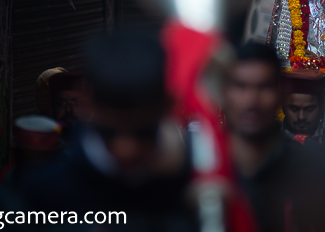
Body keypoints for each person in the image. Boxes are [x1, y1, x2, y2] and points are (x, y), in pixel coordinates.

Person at [18, 28, 197, 231]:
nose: (126, 149)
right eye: (109, 131)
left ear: (167, 105)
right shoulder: (43, 193)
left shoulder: (200, 181)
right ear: (86, 102)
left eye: (143, 131)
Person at [222, 42, 325, 232]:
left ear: (279, 96)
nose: (251, 101)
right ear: (224, 94)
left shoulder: (307, 164)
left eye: (264, 87)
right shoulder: (205, 160)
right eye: (241, 87)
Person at [281, 70, 325, 151]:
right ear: (283, 107)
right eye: (294, 109)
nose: (301, 117)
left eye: (309, 109)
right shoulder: (269, 142)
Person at [46, 72, 92, 142]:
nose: (68, 109)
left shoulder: (97, 143)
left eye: (75, 103)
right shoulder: (47, 141)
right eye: (62, 103)